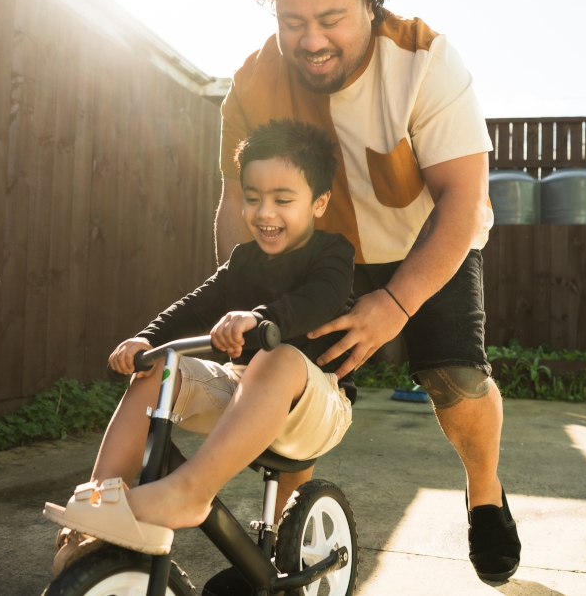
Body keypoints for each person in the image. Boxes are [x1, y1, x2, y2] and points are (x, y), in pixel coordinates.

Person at [211, 0, 521, 585]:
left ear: (370, 7)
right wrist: (249, 308)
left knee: (454, 380)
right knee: (294, 384)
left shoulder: (425, 60)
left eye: (331, 18)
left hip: (428, 237)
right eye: (293, 21)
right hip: (325, 252)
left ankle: (486, 493)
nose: (311, 40)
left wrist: (397, 302)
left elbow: (462, 200)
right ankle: (280, 546)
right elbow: (236, 207)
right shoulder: (254, 85)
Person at [44, 119, 356, 575]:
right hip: (248, 394)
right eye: (253, 199)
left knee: (279, 357)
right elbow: (196, 305)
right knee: (159, 369)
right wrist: (147, 340)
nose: (264, 213)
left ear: (320, 202)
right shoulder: (243, 260)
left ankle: (190, 492)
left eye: (283, 200)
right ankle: (98, 504)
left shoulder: (332, 253)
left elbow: (321, 299)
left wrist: (261, 318)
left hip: (319, 402)